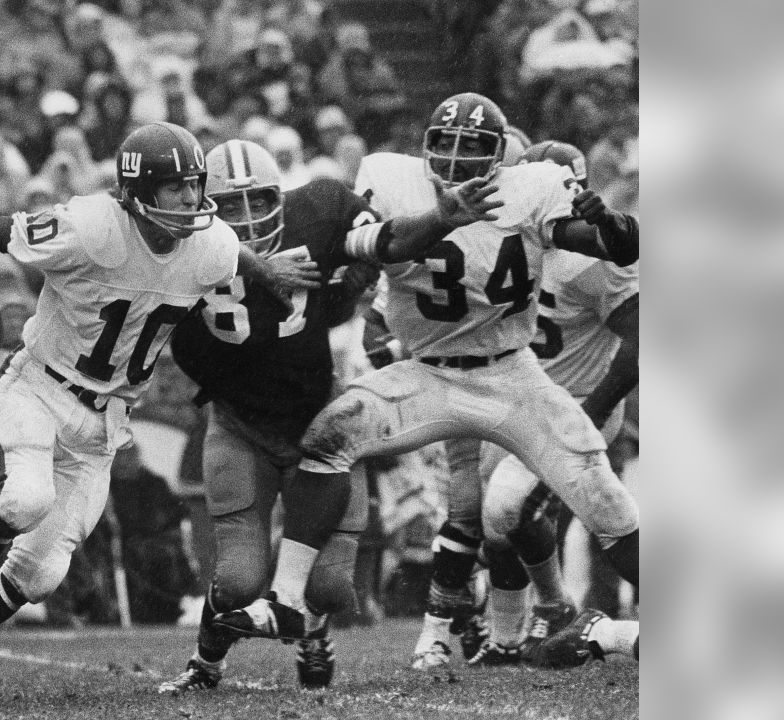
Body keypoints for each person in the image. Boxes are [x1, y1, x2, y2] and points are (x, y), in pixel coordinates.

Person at [0, 121, 323, 705]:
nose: (190, 199)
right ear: (136, 196)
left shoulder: (210, 244)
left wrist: (269, 269)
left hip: (104, 423)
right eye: (175, 187)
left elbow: (237, 254)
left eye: (194, 184)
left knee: (39, 576)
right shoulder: (89, 227)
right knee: (26, 499)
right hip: (39, 387)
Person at [207, 93, 641, 662]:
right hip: (428, 372)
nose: (457, 160)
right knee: (330, 437)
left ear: (500, 156)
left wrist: (606, 221)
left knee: (603, 496)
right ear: (425, 145)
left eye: (474, 149)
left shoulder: (531, 184)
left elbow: (610, 244)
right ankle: (287, 599)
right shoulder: (388, 176)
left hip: (512, 375)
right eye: (445, 144)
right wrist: (419, 233)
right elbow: (369, 249)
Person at [157, 139, 382, 693]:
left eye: (257, 201)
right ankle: (206, 659)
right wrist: (256, 277)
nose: (247, 218)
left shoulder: (320, 208)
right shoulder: (182, 261)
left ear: (282, 198)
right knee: (237, 582)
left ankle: (311, 629)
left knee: (332, 590)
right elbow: (223, 350)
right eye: (229, 207)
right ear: (203, 209)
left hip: (317, 419)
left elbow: (378, 245)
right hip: (241, 424)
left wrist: (357, 281)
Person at [468, 140, 639, 666]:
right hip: (522, 400)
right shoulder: (508, 241)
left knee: (508, 505)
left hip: (578, 402)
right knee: (497, 525)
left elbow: (642, 336)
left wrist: (591, 411)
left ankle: (557, 610)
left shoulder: (591, 261)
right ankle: (514, 632)